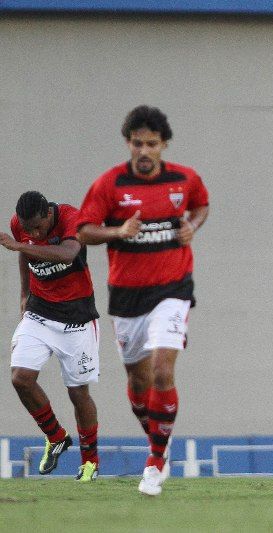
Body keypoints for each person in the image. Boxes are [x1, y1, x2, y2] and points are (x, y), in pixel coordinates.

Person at [77, 105, 209, 496]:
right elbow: (84, 231)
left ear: (164, 144)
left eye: (152, 144)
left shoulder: (184, 180)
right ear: (128, 144)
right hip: (127, 296)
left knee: (163, 371)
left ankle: (155, 460)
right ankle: (157, 440)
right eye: (138, 144)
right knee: (138, 379)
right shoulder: (109, 185)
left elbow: (201, 205)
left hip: (172, 289)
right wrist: (118, 230)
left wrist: (192, 226)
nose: (145, 151)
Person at [0, 191, 100, 481]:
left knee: (78, 392)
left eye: (38, 228)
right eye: (26, 229)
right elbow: (25, 254)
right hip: (39, 313)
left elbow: (68, 254)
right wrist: (24, 293)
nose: (33, 233)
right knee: (20, 378)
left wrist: (19, 244)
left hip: (77, 319)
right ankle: (56, 437)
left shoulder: (72, 218)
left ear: (48, 214)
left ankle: (90, 461)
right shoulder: (21, 226)